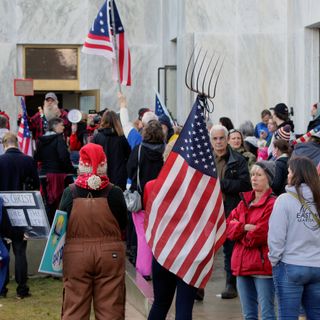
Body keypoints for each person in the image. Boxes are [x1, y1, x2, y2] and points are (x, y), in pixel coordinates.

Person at [59, 143, 127, 320]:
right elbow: (123, 223)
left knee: (74, 308)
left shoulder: (70, 192)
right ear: (104, 164)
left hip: (76, 255)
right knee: (111, 309)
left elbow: (59, 224)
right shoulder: (115, 193)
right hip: (110, 254)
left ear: (81, 165)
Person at [268, 156, 320, 319]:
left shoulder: (284, 200)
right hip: (317, 265)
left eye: (289, 172)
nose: (287, 176)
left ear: (297, 174)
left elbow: (276, 236)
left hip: (290, 264)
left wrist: (274, 260)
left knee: (288, 315)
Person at [227, 161, 276, 320]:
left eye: (259, 175)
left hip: (262, 267)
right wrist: (244, 228)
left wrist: (239, 229)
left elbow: (259, 235)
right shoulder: (244, 202)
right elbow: (228, 228)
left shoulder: (273, 204)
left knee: (268, 314)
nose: (254, 178)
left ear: (268, 178)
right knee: (249, 316)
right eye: (252, 174)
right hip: (241, 266)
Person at [210, 124, 251, 299]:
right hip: (209, 211)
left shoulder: (238, 160)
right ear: (211, 140)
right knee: (204, 249)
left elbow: (245, 185)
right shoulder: (205, 159)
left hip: (230, 210)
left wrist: (221, 184)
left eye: (221, 138)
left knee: (230, 249)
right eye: (215, 138)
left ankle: (231, 284)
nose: (218, 142)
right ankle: (198, 286)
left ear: (227, 139)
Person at [0, 132, 39, 299]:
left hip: (2, 212)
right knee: (20, 251)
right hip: (22, 211)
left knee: (2, 252)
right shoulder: (28, 160)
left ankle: (1, 289)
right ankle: (22, 289)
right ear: (17, 142)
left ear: (4, 144)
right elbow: (36, 185)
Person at [127, 120, 165, 270]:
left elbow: (130, 170)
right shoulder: (165, 151)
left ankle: (144, 270)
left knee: (142, 236)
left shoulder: (139, 150)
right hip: (160, 198)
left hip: (141, 197)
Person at [34, 117, 75, 225]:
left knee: (48, 204)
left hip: (44, 176)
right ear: (55, 126)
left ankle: (49, 228)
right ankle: (60, 227)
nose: (63, 127)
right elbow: (64, 157)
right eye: (62, 125)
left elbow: (37, 157)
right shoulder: (58, 139)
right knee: (62, 203)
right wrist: (71, 170)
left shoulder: (40, 140)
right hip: (58, 176)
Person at [93, 110, 131, 191]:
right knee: (117, 201)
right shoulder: (121, 138)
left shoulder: (97, 137)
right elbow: (129, 155)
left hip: (101, 175)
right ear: (116, 121)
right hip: (119, 177)